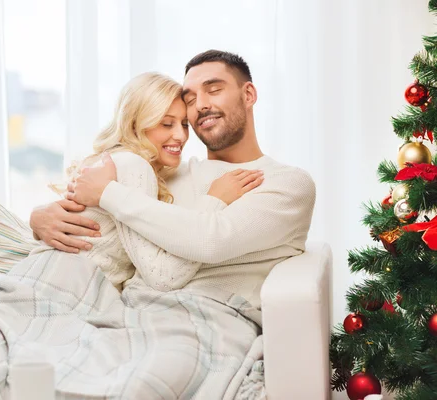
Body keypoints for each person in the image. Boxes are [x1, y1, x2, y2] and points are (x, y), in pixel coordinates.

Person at [32, 49, 316, 326]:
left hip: (204, 319)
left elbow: (212, 240)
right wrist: (39, 217)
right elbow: (95, 222)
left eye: (213, 89)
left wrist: (108, 193)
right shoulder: (161, 172)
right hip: (121, 312)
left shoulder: (286, 183)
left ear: (248, 94)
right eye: (190, 99)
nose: (200, 105)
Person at [33, 71, 264, 292]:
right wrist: (214, 200)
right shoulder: (134, 166)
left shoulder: (119, 164)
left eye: (184, 124)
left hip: (60, 281)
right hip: (64, 288)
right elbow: (163, 277)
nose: (181, 136)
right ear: (135, 125)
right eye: (166, 124)